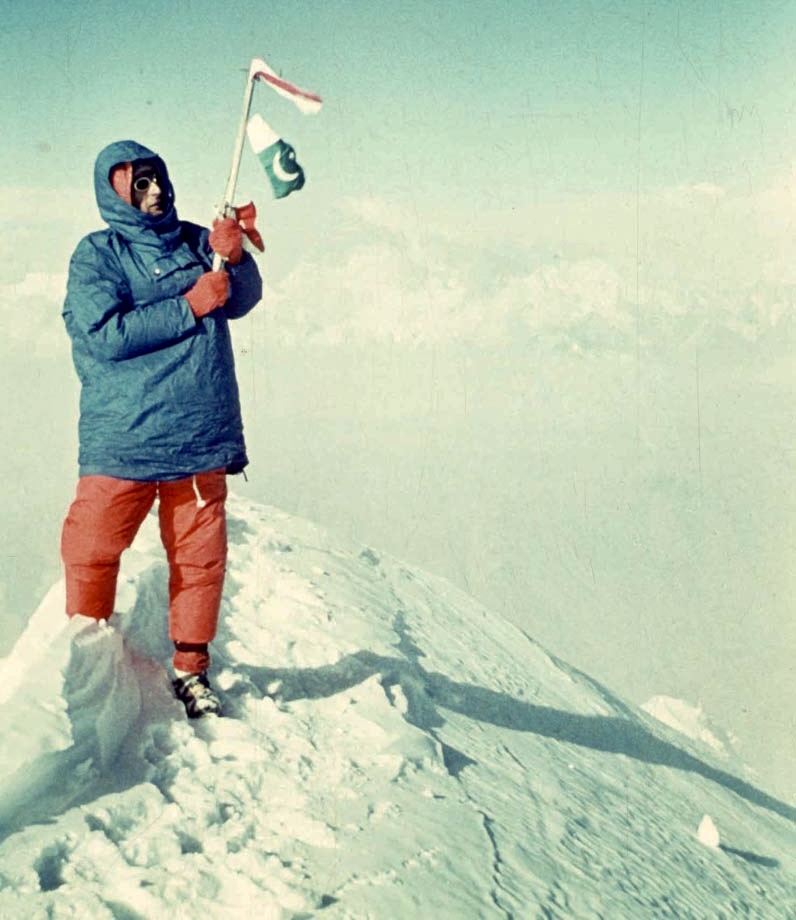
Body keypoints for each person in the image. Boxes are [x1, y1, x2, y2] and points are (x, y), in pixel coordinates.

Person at [60, 139, 262, 718]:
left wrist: (237, 257)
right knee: (92, 546)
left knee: (200, 557)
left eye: (158, 180)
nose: (155, 193)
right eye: (139, 184)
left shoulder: (199, 240)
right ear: (115, 191)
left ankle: (192, 669)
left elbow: (239, 299)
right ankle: (85, 655)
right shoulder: (97, 255)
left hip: (197, 431)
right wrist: (189, 305)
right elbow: (104, 335)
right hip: (123, 436)